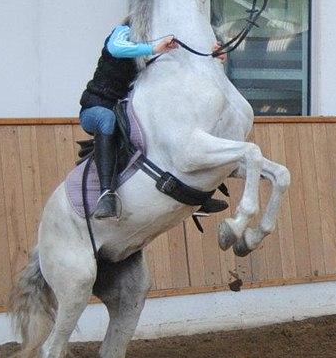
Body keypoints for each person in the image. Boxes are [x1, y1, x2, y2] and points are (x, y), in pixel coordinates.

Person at [79, 25, 226, 219]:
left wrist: (212, 56)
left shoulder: (153, 45)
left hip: (123, 112)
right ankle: (106, 194)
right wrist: (154, 48)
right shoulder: (124, 30)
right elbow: (115, 48)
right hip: (95, 110)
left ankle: (194, 194)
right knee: (107, 119)